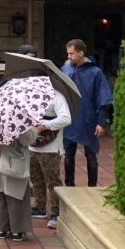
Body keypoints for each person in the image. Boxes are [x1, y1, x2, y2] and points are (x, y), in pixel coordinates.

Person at [61, 39, 113, 187]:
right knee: (68, 155)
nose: (69, 57)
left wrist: (101, 122)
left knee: (91, 156)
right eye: (68, 54)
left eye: (72, 53)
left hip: (89, 118)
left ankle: (92, 187)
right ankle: (69, 186)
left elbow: (102, 98)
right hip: (70, 118)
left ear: (81, 53)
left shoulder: (95, 73)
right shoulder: (65, 70)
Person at [29, 90, 71, 229]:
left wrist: (45, 125)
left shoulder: (57, 97)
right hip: (33, 146)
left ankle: (56, 212)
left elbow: (66, 118)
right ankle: (39, 207)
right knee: (36, 179)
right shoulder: (30, 96)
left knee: (52, 180)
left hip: (51, 148)